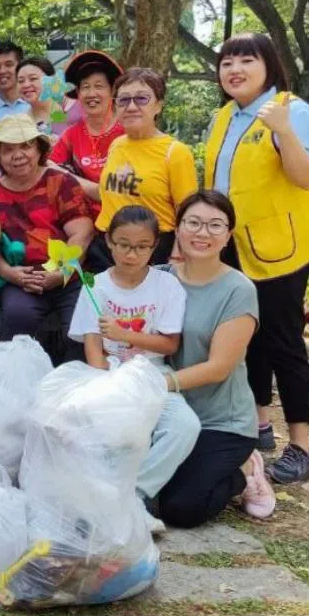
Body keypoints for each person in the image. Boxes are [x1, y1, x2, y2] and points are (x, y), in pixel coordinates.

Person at [206, 32, 309, 482]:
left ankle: (301, 445)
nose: (234, 70)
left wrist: (283, 130)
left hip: (282, 248)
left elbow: (306, 178)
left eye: (246, 60)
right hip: (234, 246)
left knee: (282, 340)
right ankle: (260, 425)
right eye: (227, 63)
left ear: (269, 65)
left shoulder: (291, 110)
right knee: (246, 337)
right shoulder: (225, 116)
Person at [69, 206, 199, 530]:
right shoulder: (94, 285)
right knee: (94, 425)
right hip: (109, 372)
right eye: (124, 245)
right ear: (109, 242)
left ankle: (132, 496)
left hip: (152, 373)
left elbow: (169, 344)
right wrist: (104, 385)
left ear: (154, 246)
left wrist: (124, 334)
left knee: (184, 425)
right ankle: (98, 501)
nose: (131, 254)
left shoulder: (166, 286)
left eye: (142, 247)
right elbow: (93, 346)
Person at [154, 190, 277, 526]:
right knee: (142, 493)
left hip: (220, 422)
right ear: (177, 229)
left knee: (181, 508)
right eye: (193, 222)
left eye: (214, 225)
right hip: (165, 413)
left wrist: (156, 384)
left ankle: (246, 470)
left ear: (228, 234)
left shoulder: (238, 290)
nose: (202, 233)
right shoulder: (159, 278)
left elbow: (219, 368)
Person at [0, 114, 95, 342]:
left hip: (69, 277)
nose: (18, 155)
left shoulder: (60, 182)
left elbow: (81, 233)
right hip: (21, 279)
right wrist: (8, 272)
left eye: (26, 146)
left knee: (81, 329)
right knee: (18, 317)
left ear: (39, 150)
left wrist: (61, 274)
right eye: (8, 150)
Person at [89, 67, 197, 270]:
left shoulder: (175, 152)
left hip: (150, 249)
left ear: (158, 105)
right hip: (106, 246)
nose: (131, 107)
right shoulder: (116, 145)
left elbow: (188, 213)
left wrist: (178, 254)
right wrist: (60, 173)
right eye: (123, 100)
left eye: (141, 99)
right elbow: (106, 194)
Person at [49, 50, 125, 214]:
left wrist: (69, 177)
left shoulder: (128, 130)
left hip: (124, 215)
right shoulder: (72, 134)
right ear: (78, 93)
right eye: (85, 87)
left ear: (112, 91)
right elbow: (50, 167)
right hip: (82, 216)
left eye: (99, 86)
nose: (91, 94)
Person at [17, 57, 67, 137]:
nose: (26, 85)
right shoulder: (20, 124)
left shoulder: (70, 112)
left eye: (33, 79)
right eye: (21, 81)